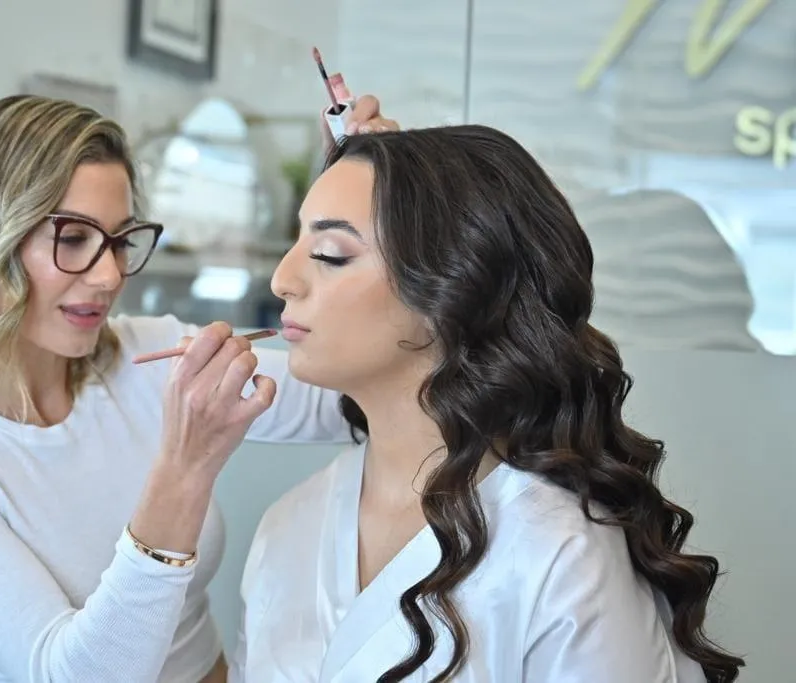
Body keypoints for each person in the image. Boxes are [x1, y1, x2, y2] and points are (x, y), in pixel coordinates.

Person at [0, 93, 397, 683]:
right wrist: (186, 467)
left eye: (119, 241)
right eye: (72, 240)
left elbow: (362, 404)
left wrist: (368, 212)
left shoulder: (151, 354)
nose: (110, 274)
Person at [231, 126, 746, 682]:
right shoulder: (287, 526)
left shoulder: (559, 555)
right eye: (296, 241)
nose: (283, 279)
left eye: (330, 254)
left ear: (454, 289)